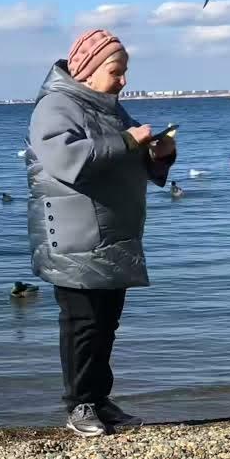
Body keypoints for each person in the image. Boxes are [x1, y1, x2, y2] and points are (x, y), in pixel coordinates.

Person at [26, 29, 177, 437]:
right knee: (83, 322)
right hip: (75, 235)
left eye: (125, 71)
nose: (124, 80)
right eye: (117, 71)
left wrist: (159, 157)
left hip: (113, 234)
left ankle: (99, 399)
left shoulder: (109, 106)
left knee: (106, 322)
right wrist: (130, 140)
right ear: (89, 71)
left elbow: (125, 156)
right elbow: (66, 159)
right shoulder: (56, 106)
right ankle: (79, 405)